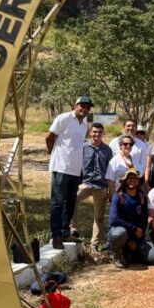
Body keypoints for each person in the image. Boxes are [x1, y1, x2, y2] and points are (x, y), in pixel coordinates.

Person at [46, 95, 92, 249]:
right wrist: (52, 154)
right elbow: (49, 137)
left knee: (70, 203)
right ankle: (56, 235)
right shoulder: (64, 118)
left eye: (87, 107)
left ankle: (65, 232)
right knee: (57, 203)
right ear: (75, 105)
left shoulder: (84, 123)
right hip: (61, 167)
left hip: (75, 169)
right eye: (82, 106)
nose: (84, 109)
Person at [70, 122, 113, 249]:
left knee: (99, 217)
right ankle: (73, 230)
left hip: (101, 186)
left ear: (103, 134)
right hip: (86, 183)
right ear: (90, 133)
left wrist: (110, 189)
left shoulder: (108, 150)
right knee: (71, 201)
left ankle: (94, 244)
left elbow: (110, 171)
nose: (97, 134)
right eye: (94, 132)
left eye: (99, 132)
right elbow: (77, 165)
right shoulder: (83, 148)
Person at [107, 169, 154, 268]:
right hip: (120, 234)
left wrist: (136, 241)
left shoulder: (142, 198)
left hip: (136, 236)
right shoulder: (118, 197)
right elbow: (114, 219)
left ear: (139, 181)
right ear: (124, 181)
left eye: (135, 178)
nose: (132, 180)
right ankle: (116, 255)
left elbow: (144, 221)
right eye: (129, 178)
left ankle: (131, 254)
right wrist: (134, 230)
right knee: (120, 233)